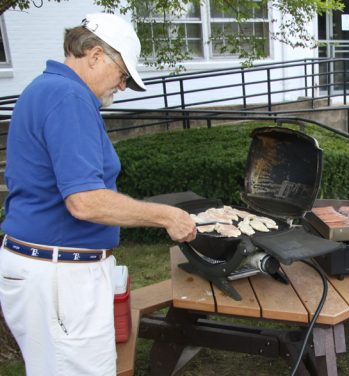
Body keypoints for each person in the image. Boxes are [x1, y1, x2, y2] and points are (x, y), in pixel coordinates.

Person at [0, 13, 197, 376]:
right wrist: (167, 216)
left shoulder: (47, 89)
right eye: (122, 75)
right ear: (94, 55)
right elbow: (85, 200)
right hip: (59, 273)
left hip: (47, 269)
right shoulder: (67, 96)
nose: (122, 86)